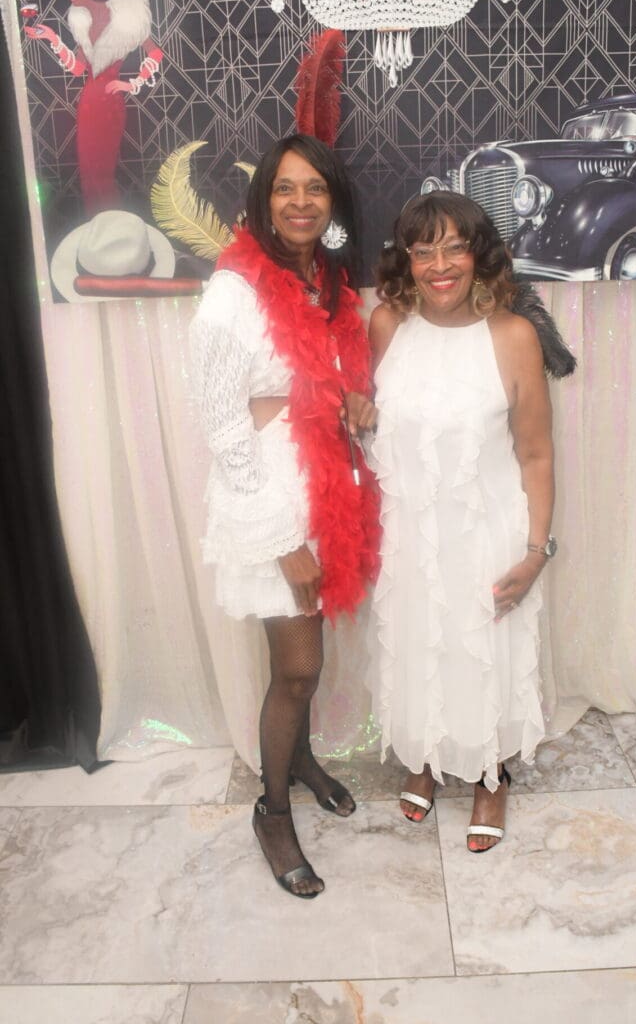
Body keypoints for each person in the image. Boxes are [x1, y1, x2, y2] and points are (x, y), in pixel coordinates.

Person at [189, 135, 379, 898]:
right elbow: (221, 421)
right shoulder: (234, 292)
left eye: (315, 190)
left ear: (331, 202)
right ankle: (272, 811)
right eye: (285, 189)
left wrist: (355, 402)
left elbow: (328, 386)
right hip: (267, 501)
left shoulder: (325, 280)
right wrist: (279, 539)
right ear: (262, 199)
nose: (300, 202)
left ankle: (298, 762)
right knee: (297, 669)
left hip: (325, 489)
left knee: (312, 659)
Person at [367, 191, 575, 852]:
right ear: (406, 259)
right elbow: (386, 433)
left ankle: (490, 774)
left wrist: (536, 551)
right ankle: (425, 758)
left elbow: (536, 452)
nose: (438, 265)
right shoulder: (386, 326)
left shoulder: (514, 337)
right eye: (422, 249)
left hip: (487, 534)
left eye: (454, 246)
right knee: (419, 641)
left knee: (480, 652)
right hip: (409, 532)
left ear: (479, 253)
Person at [24, 0, 163, 213]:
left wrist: (131, 83)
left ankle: (112, 231)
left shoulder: (126, 22)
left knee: (103, 174)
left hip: (110, 105)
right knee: (88, 174)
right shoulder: (83, 24)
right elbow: (78, 69)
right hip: (88, 104)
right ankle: (97, 230)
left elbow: (155, 53)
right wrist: (52, 38)